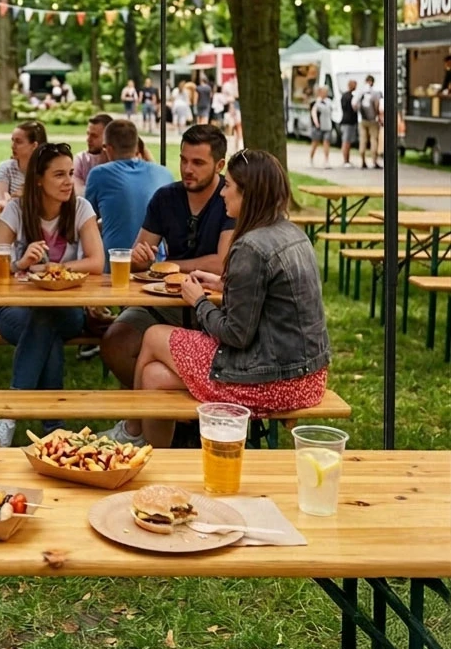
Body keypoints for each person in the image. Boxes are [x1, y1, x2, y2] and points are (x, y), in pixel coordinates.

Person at [132, 150, 331, 447]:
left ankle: (132, 432)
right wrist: (225, 285)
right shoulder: (292, 233)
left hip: (272, 382)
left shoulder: (251, 247)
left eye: (228, 186)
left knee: (152, 335)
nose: (223, 193)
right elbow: (274, 299)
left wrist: (199, 301)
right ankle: (153, 456)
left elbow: (236, 335)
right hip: (307, 377)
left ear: (248, 194)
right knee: (154, 376)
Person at [100, 124, 236, 442]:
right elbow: (141, 253)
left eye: (198, 162)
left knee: (154, 349)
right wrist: (140, 258)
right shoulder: (166, 197)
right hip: (165, 300)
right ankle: (164, 414)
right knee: (115, 342)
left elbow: (222, 262)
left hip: (213, 306)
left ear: (220, 165)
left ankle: (155, 421)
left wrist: (169, 267)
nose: (187, 169)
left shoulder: (231, 197)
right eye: (183, 160)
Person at [0, 142, 105, 446]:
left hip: (68, 311)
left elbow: (96, 261)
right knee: (45, 327)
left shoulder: (80, 208)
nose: (68, 182)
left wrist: (54, 268)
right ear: (38, 179)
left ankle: (9, 416)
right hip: (15, 311)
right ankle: (54, 429)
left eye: (70, 173)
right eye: (59, 175)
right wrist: (21, 263)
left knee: (46, 318)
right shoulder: (16, 209)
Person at [85, 120, 173, 257]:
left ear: (108, 148)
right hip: (156, 261)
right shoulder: (164, 173)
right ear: (137, 146)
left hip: (116, 262)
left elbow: (86, 219)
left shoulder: (99, 174)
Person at [0, 120, 47, 211]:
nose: (12, 146)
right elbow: (0, 200)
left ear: (34, 145)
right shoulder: (6, 168)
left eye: (18, 142)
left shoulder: (49, 170)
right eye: (12, 140)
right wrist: (2, 203)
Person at [72, 113, 113, 197]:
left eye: (94, 136)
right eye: (88, 134)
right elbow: (79, 193)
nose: (88, 139)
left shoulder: (118, 160)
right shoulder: (80, 160)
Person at [354, 75, 383, 169]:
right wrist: (378, 116)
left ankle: (363, 161)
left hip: (362, 120)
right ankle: (374, 161)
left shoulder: (360, 92)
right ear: (372, 82)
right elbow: (377, 105)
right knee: (374, 140)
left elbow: (354, 105)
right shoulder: (375, 93)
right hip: (372, 120)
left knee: (363, 140)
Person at [308, 84, 334, 168]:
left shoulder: (329, 102)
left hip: (327, 126)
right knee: (315, 143)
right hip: (318, 126)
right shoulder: (315, 102)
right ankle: (311, 158)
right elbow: (313, 113)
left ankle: (326, 160)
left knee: (326, 143)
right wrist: (316, 123)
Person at [338, 79, 358, 168]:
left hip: (346, 120)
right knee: (346, 142)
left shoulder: (344, 95)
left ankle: (347, 160)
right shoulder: (350, 97)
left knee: (347, 142)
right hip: (349, 122)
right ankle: (345, 160)